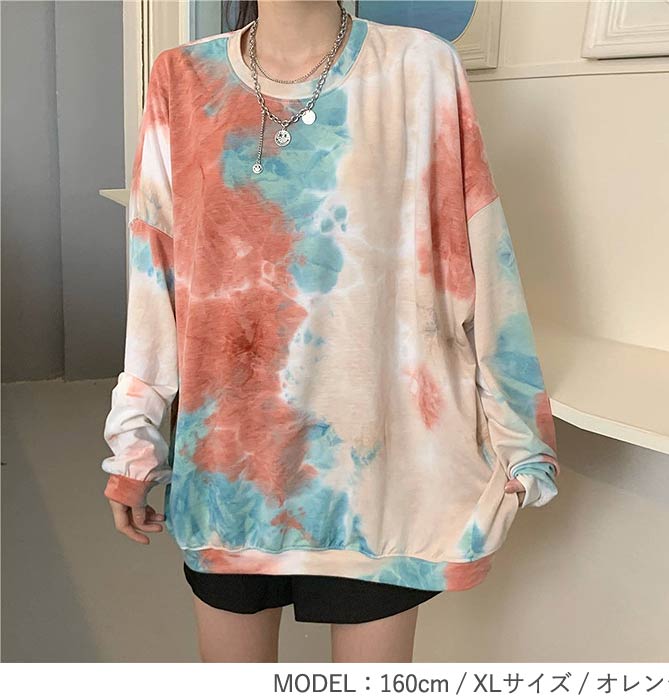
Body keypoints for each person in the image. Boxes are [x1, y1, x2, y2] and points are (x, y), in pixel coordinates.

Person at [101, 0, 560, 663]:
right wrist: (135, 441)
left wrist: (520, 436)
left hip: (383, 478)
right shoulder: (182, 77)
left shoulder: (419, 67)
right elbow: (157, 274)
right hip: (231, 473)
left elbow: (480, 256)